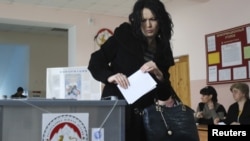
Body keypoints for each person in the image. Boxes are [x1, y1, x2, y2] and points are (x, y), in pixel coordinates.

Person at [88, 0, 175, 140]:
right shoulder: (124, 36)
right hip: (117, 108)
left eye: (153, 19)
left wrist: (159, 74)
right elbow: (96, 61)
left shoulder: (163, 49)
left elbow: (164, 95)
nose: (148, 25)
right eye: (143, 20)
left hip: (146, 116)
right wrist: (111, 76)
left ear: (161, 20)